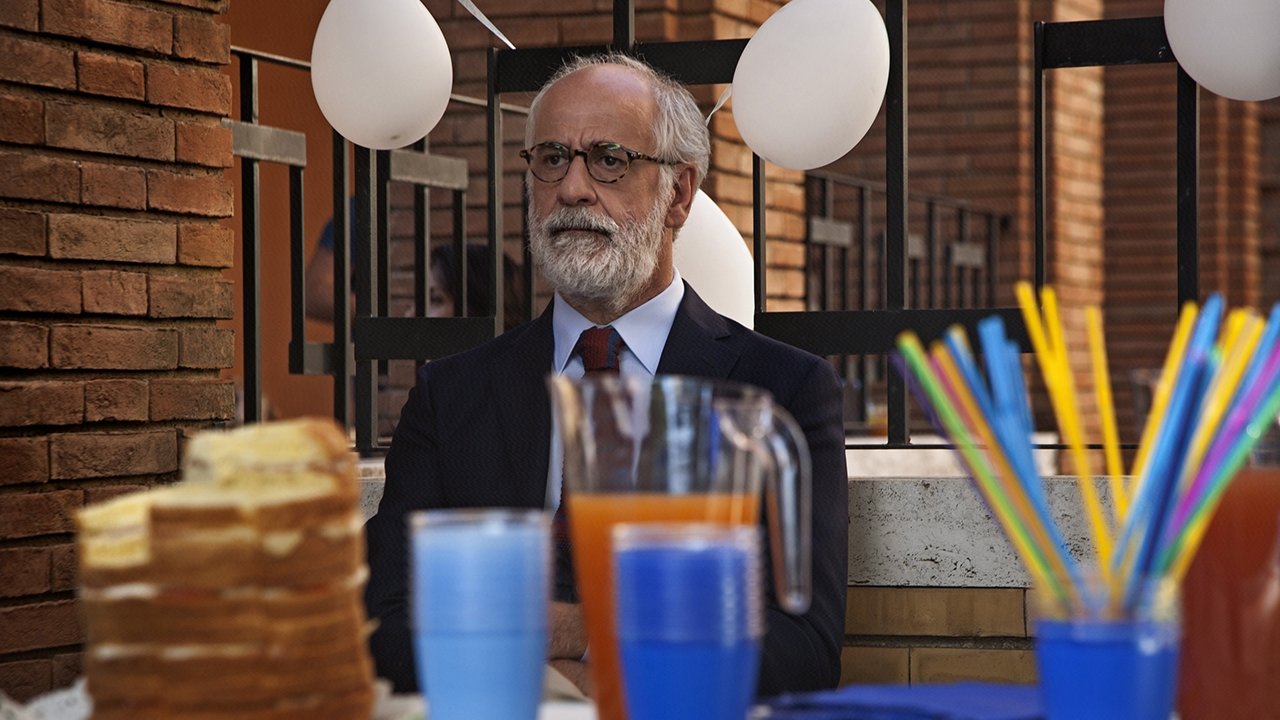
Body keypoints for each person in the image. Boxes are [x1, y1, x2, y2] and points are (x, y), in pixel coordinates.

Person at [364, 52, 848, 698]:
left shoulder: (781, 390)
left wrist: (574, 634)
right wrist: (563, 676)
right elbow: (386, 622)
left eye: (609, 159)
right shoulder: (450, 397)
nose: (572, 188)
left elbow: (803, 649)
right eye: (551, 158)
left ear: (679, 194)